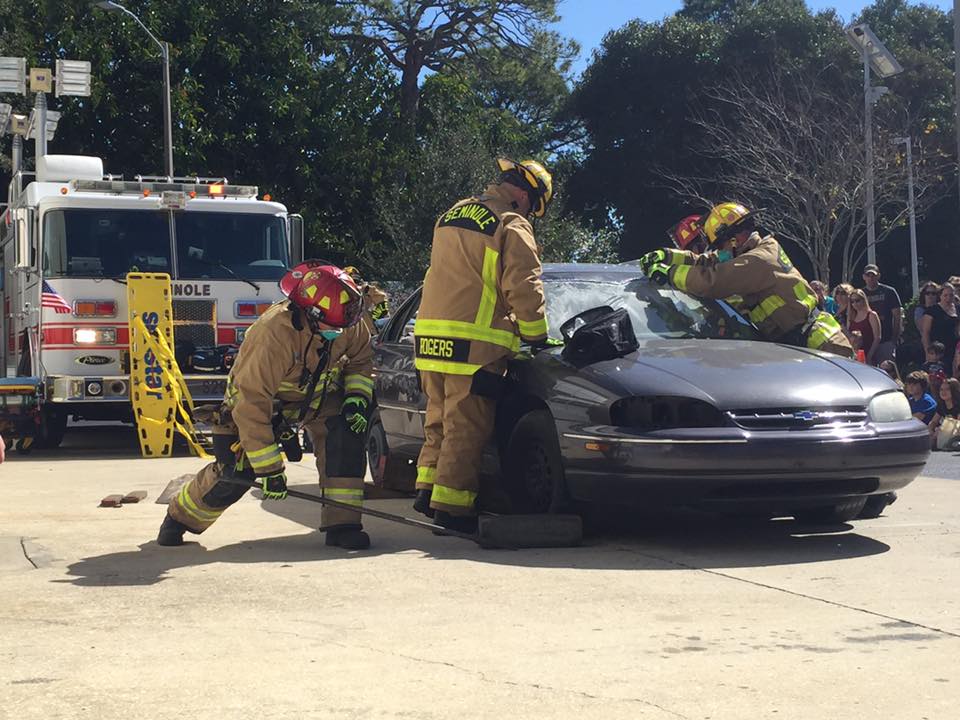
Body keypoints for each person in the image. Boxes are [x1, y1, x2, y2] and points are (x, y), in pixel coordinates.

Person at [156, 262, 376, 550]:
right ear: (309, 314)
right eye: (332, 327)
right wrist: (270, 469)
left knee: (346, 437)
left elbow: (361, 361)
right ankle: (178, 518)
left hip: (317, 401)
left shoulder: (347, 319)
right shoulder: (273, 334)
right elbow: (251, 403)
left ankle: (342, 524)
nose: (341, 331)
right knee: (236, 473)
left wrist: (356, 400)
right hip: (259, 408)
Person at [412, 158, 556, 533]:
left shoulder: (452, 214)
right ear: (523, 194)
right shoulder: (511, 223)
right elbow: (523, 285)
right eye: (533, 206)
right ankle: (452, 509)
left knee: (438, 420)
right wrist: (536, 336)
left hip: (429, 339)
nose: (529, 213)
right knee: (466, 427)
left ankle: (427, 491)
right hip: (474, 345)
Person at [639, 202, 852, 357]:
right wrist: (667, 255)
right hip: (797, 347)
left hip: (823, 345)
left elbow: (714, 281)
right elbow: (707, 261)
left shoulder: (758, 259)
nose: (718, 253)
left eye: (720, 246)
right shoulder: (751, 253)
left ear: (735, 239)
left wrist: (668, 274)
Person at [861, 264, 902, 365]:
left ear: (878, 276)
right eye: (868, 275)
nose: (871, 278)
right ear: (864, 277)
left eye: (873, 275)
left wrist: (895, 338)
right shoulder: (860, 294)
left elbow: (897, 316)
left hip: (886, 339)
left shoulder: (889, 292)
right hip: (866, 341)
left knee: (888, 369)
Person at [921, 282, 959, 377]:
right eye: (945, 295)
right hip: (937, 350)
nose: (948, 298)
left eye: (951, 295)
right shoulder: (932, 311)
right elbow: (925, 333)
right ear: (940, 296)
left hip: (954, 349)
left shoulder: (958, 309)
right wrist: (928, 353)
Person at [344, 266, 390, 337]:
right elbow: (382, 301)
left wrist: (375, 319)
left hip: (364, 331)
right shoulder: (366, 290)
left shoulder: (366, 290)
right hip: (349, 331)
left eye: (356, 282)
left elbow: (382, 302)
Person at [847, 289, 881, 365]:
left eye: (857, 300)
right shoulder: (851, 316)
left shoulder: (871, 315)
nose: (855, 303)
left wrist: (869, 355)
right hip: (854, 355)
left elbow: (877, 338)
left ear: (863, 300)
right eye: (852, 301)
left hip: (869, 351)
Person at [929, 377, 960, 448]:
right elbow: (934, 421)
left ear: (954, 390)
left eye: (947, 389)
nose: (943, 392)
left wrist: (941, 430)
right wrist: (931, 429)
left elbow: (958, 425)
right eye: (941, 389)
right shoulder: (941, 405)